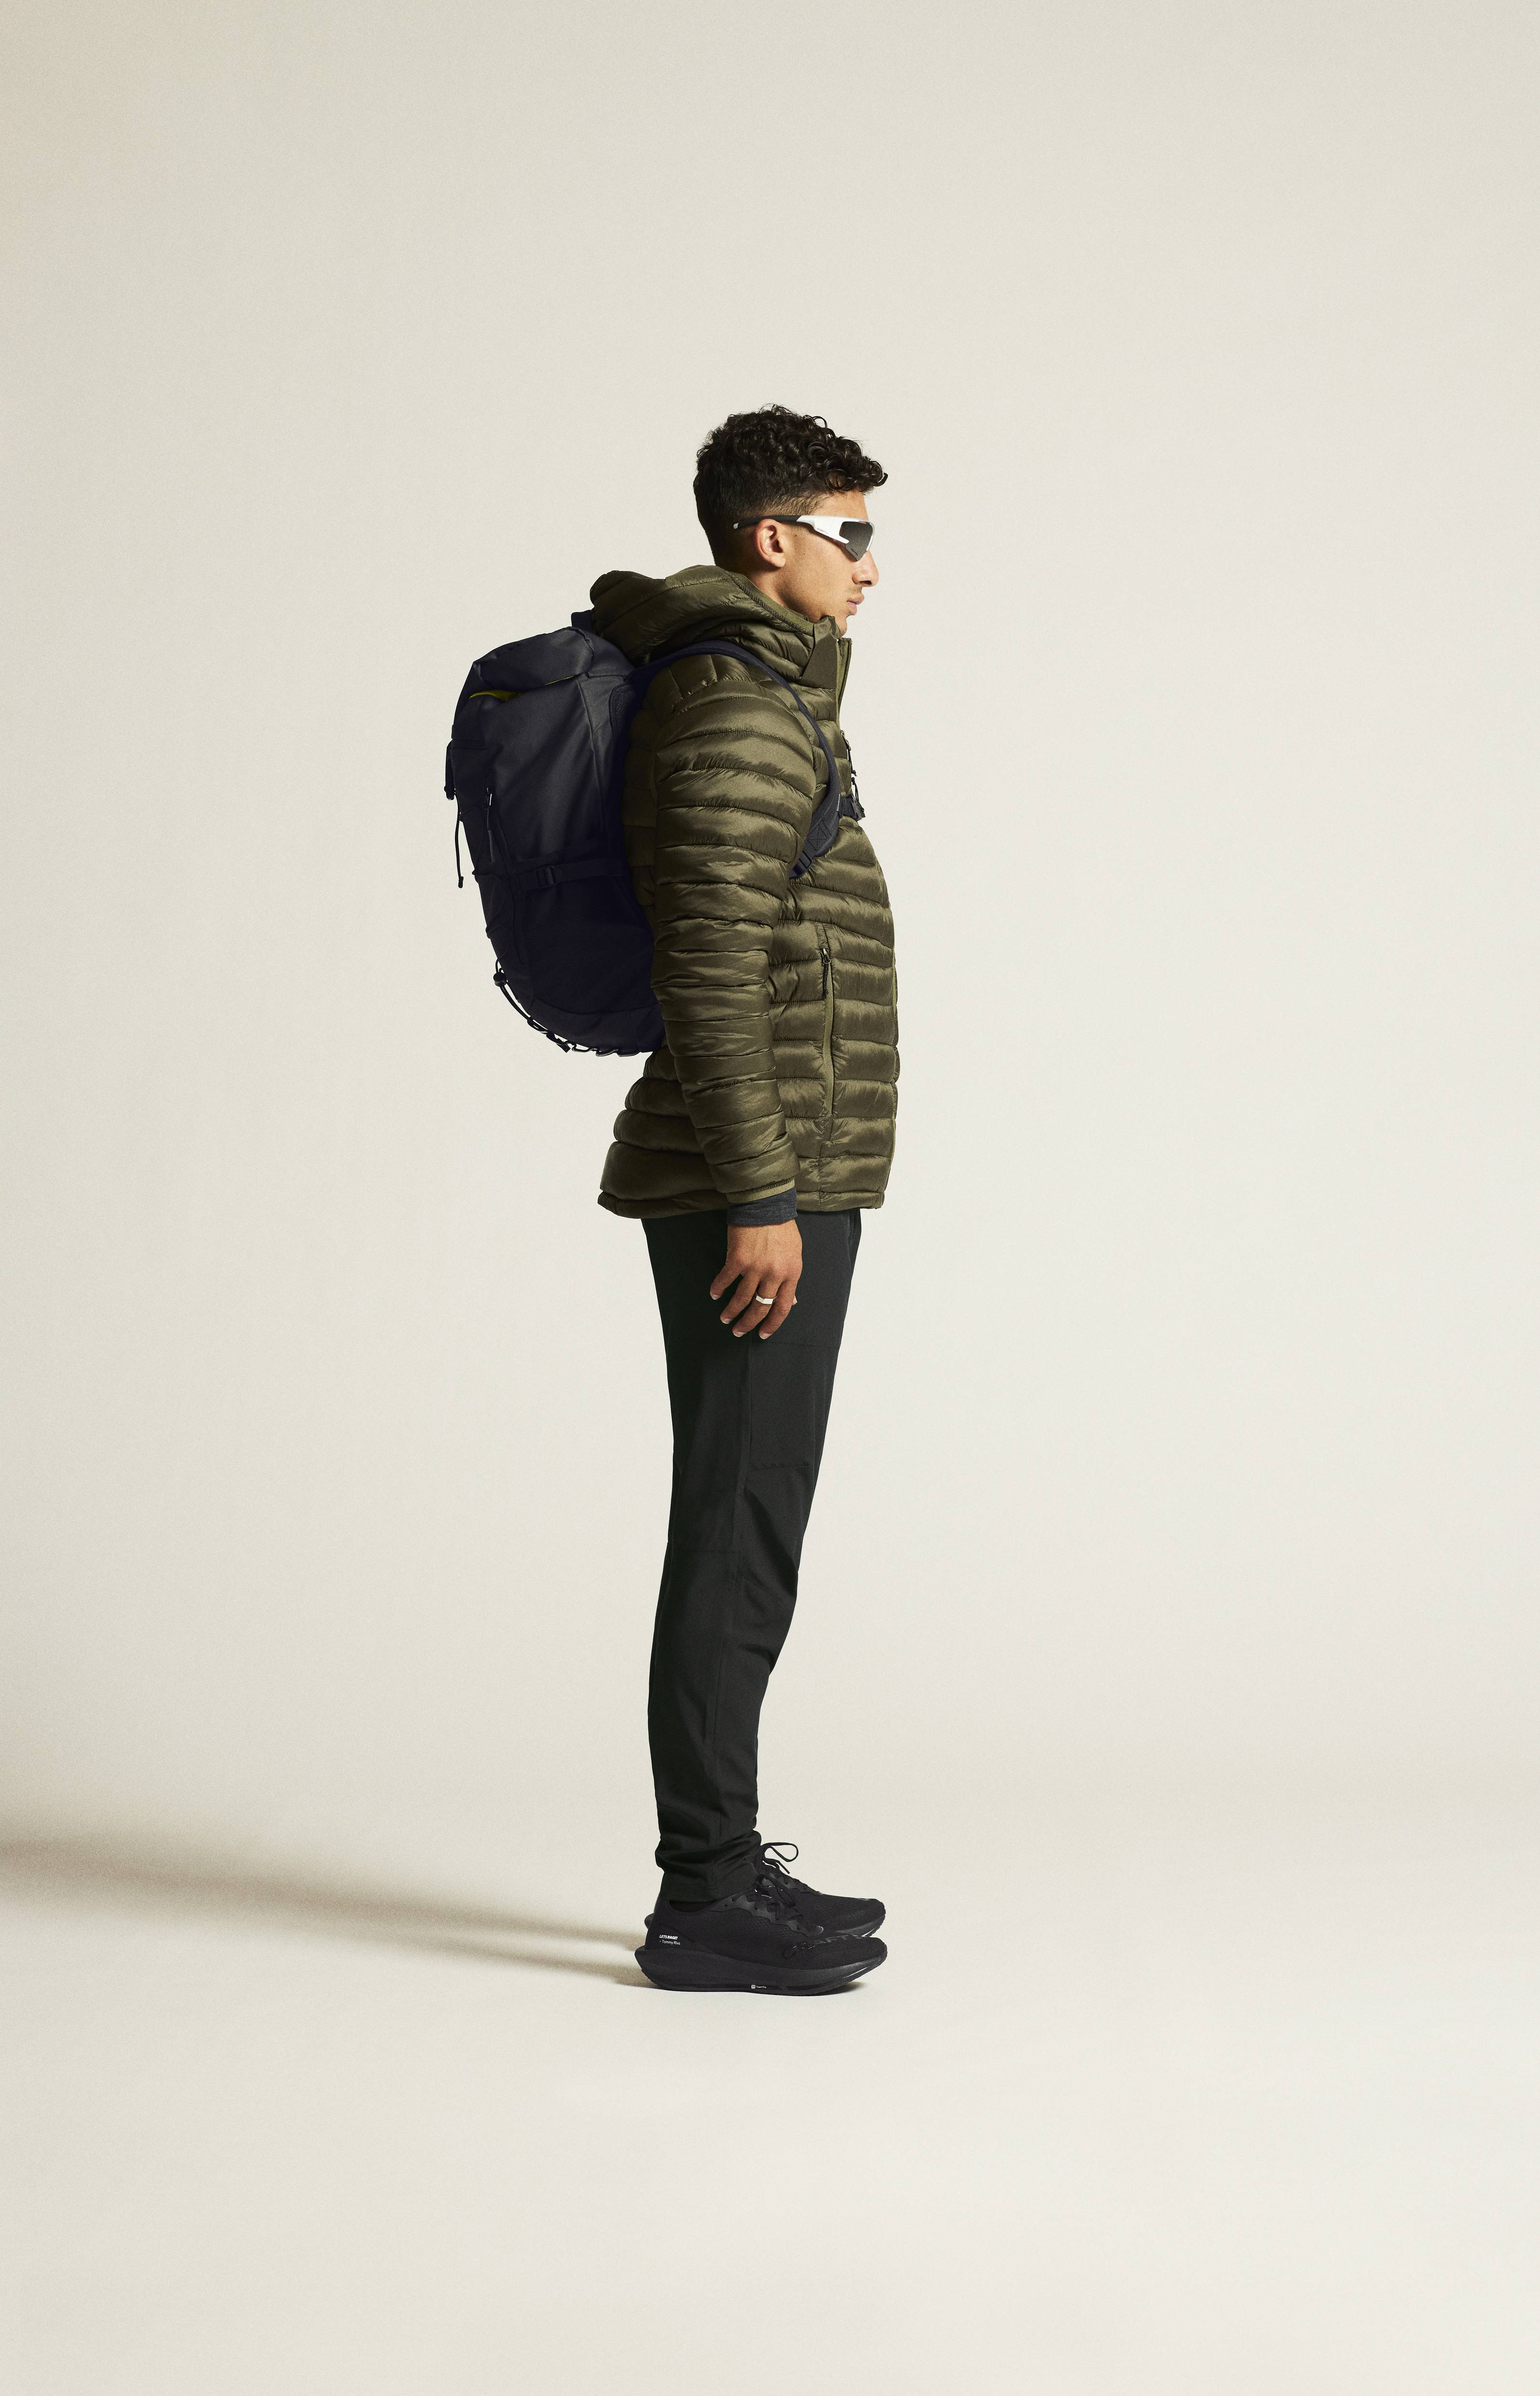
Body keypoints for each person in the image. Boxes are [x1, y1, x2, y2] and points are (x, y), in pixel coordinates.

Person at [591, 406, 900, 1994]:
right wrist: (764, 1197)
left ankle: (720, 1866)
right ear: (770, 538)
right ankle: (705, 1894)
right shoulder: (733, 706)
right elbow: (708, 970)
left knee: (748, 1517)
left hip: (777, 1164)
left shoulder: (770, 694)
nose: (873, 568)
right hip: (753, 1180)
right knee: (736, 1526)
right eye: (854, 535)